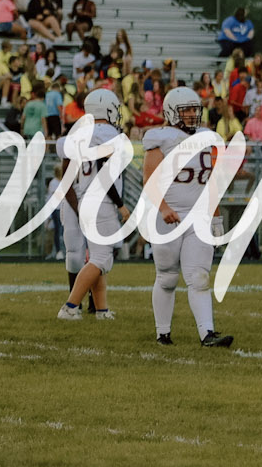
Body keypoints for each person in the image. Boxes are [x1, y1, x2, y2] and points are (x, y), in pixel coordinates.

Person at [142, 86, 234, 348]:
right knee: (168, 277)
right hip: (167, 217)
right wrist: (163, 209)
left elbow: (212, 181)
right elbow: (149, 179)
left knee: (199, 277)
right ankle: (163, 333)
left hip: (198, 216)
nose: (193, 115)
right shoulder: (160, 137)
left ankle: (208, 334)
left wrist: (216, 218)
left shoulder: (208, 136)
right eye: (187, 110)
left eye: (195, 109)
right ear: (172, 112)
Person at [55, 90, 130, 321]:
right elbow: (105, 174)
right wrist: (121, 205)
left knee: (98, 256)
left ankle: (101, 309)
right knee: (101, 258)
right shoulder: (108, 134)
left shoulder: (81, 134)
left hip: (88, 199)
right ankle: (70, 306)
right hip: (101, 201)